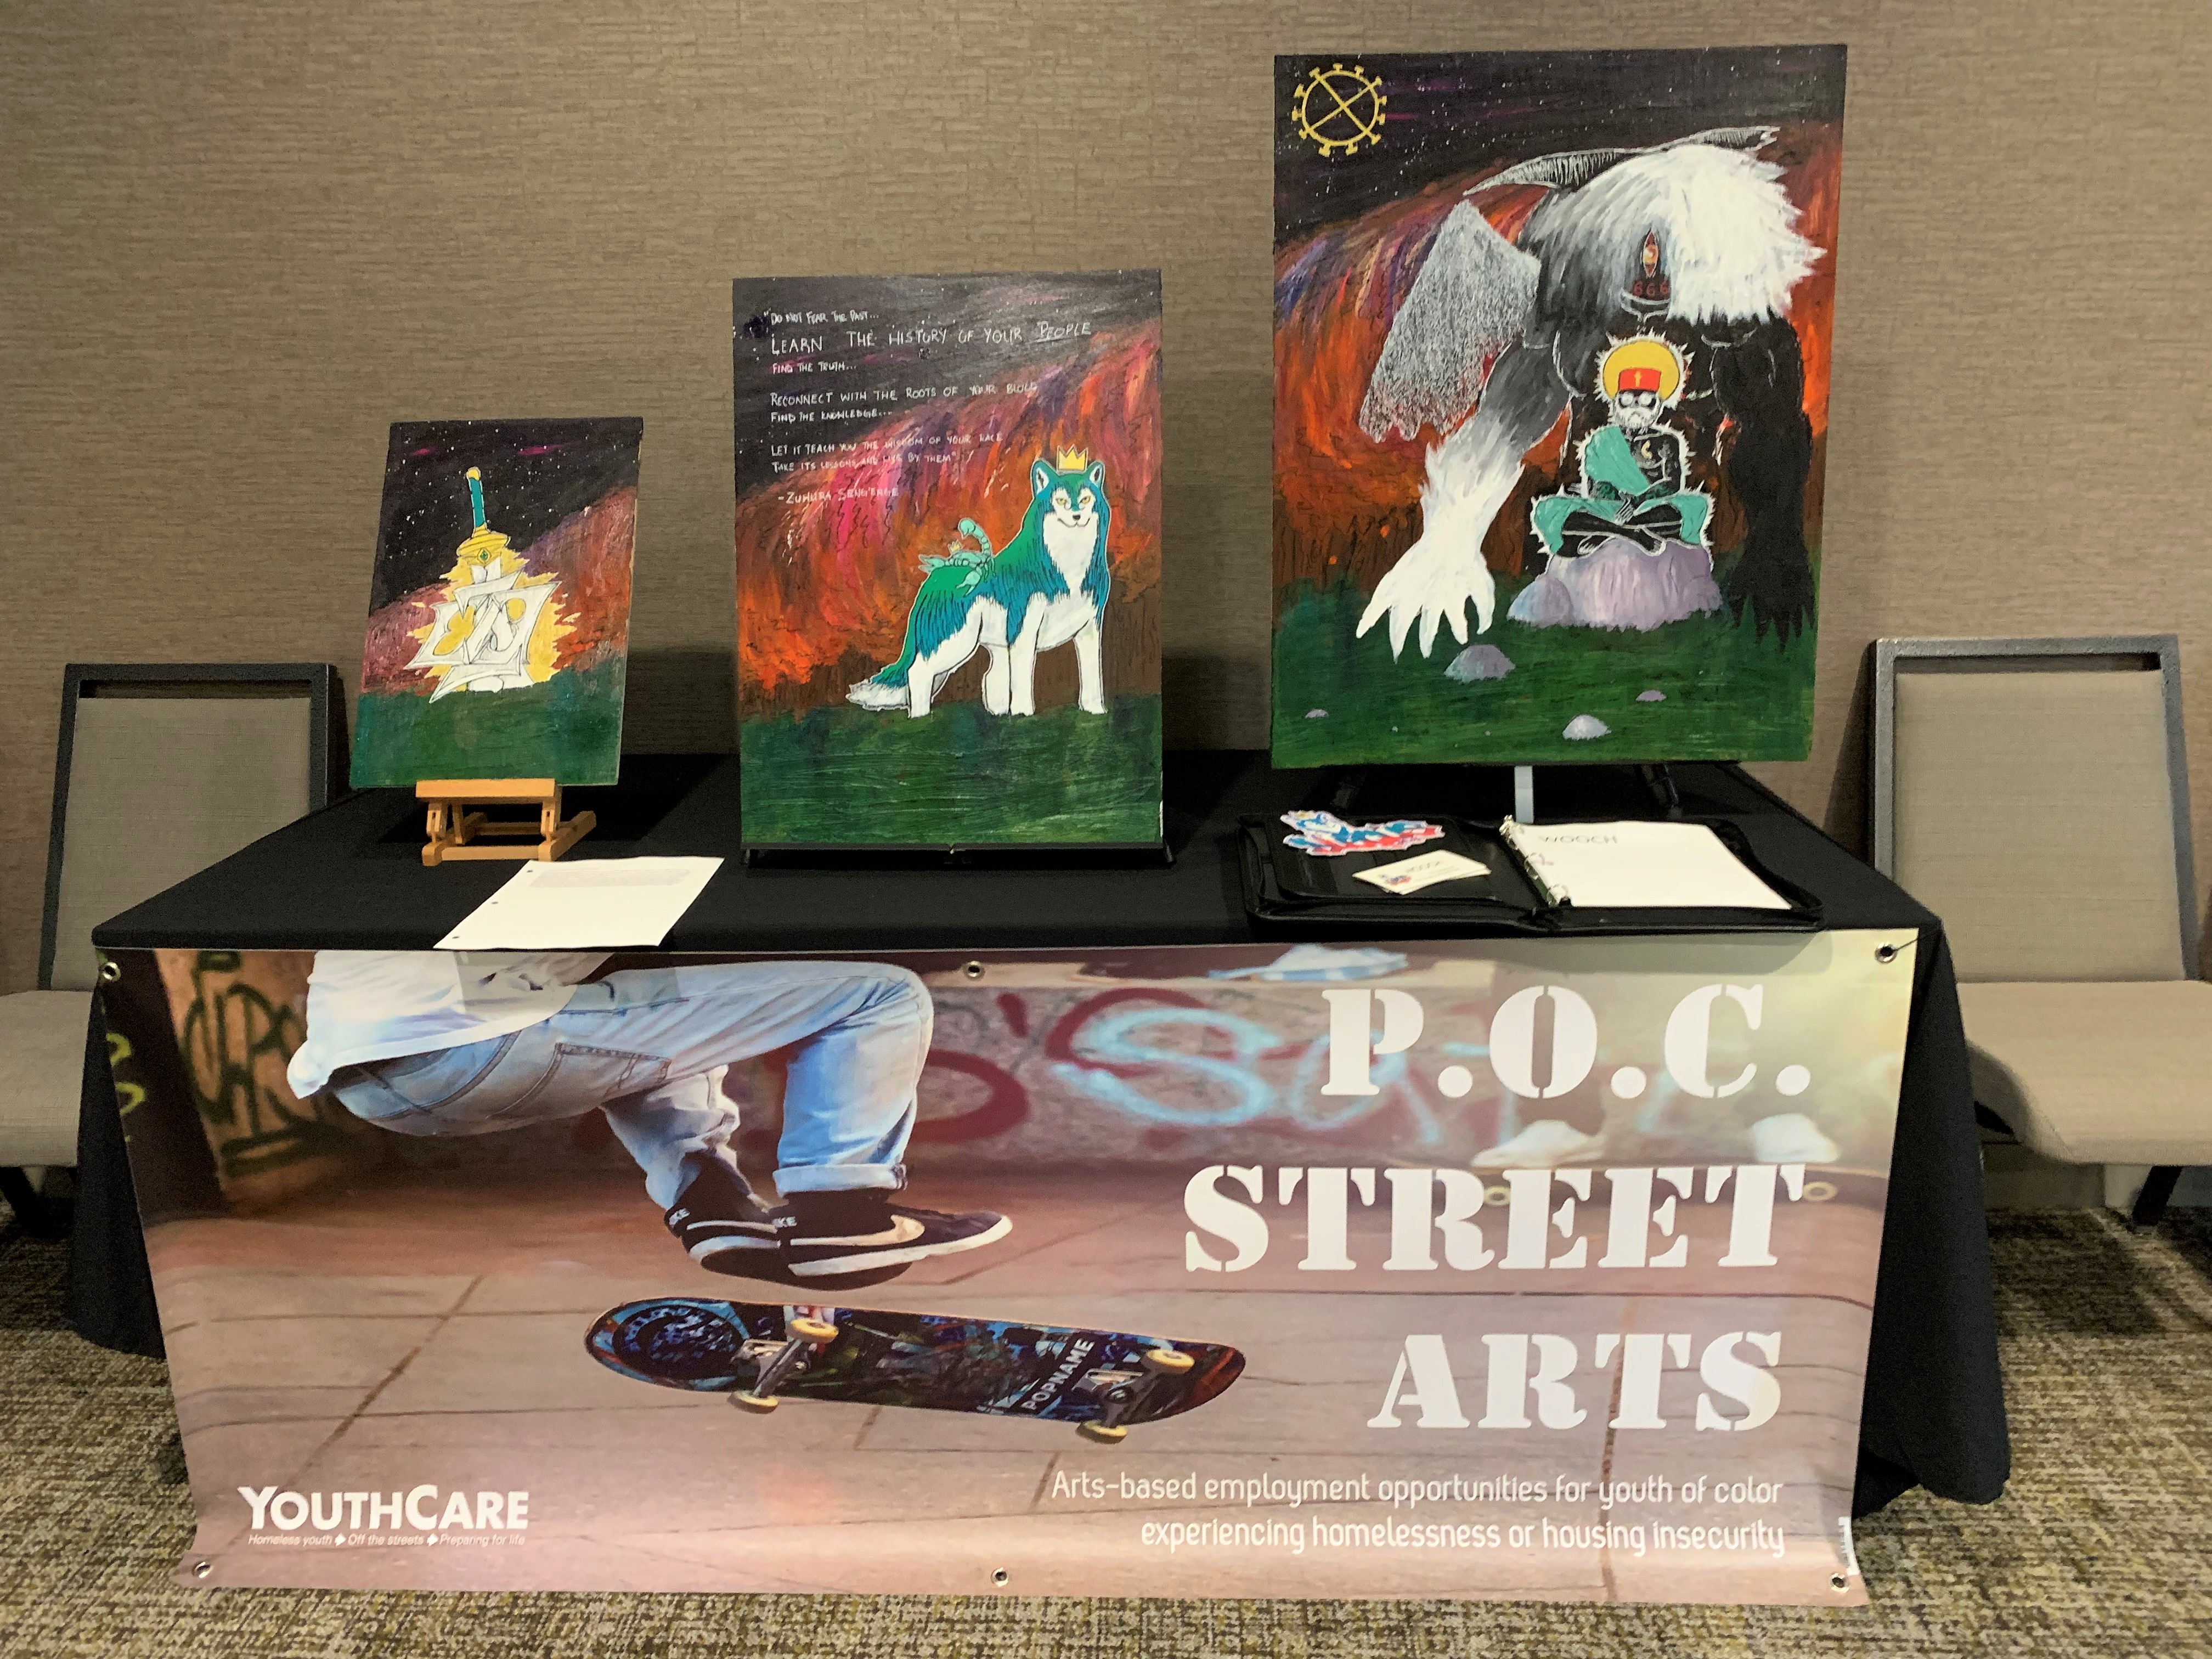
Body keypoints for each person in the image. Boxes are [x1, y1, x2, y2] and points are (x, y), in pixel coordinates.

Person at [283, 951, 1008, 1282]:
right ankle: (842, 1211)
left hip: (371, 1088)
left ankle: (711, 1202)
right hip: (480, 1043)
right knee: (884, 994)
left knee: (650, 1017)